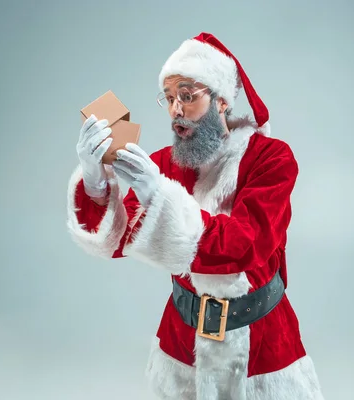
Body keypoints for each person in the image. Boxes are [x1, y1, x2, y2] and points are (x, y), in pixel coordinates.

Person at [67, 32, 325, 400]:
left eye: (187, 96)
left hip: (261, 344)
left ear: (221, 100)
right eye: (169, 98)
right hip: (181, 341)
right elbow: (113, 239)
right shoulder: (163, 166)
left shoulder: (272, 158)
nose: (175, 109)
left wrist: (160, 196)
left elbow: (245, 244)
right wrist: (95, 181)